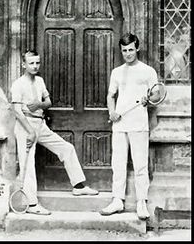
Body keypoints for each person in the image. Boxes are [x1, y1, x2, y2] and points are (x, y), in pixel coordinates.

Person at [11, 50, 98, 215]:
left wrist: (39, 104)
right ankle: (31, 205)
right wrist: (29, 131)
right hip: (24, 126)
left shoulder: (40, 81)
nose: (35, 66)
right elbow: (17, 111)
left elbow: (48, 102)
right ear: (24, 64)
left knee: (66, 148)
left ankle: (78, 186)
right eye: (31, 63)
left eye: (37, 62)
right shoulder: (18, 84)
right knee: (27, 164)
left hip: (39, 123)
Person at [100, 33, 159, 220]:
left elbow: (157, 95)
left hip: (139, 124)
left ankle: (142, 202)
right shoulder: (116, 72)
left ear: (137, 48)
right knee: (117, 164)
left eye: (131, 50)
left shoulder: (148, 71)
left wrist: (148, 99)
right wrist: (111, 112)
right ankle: (117, 200)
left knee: (141, 165)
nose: (128, 54)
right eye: (124, 50)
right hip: (119, 124)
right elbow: (111, 96)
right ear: (121, 51)